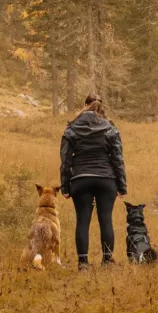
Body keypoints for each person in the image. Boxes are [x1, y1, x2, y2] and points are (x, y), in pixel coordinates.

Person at [60, 93, 126, 270]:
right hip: (106, 179)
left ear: (85, 105)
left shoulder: (72, 128)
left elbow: (65, 159)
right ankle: (106, 261)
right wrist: (122, 185)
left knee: (82, 220)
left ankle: (83, 264)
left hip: (81, 178)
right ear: (101, 106)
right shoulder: (110, 128)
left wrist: (65, 186)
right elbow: (118, 158)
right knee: (106, 219)